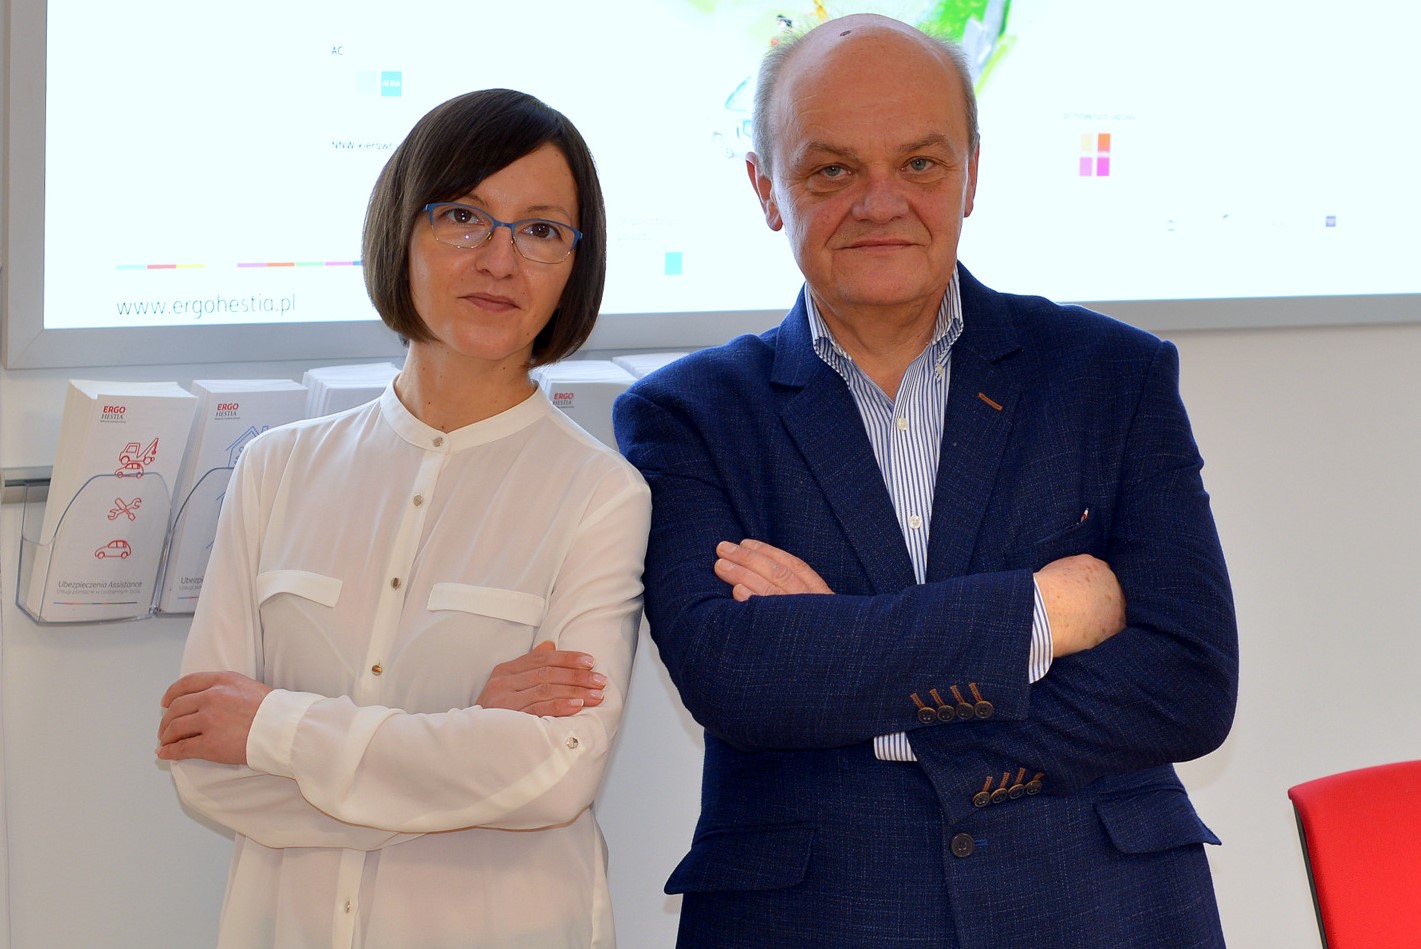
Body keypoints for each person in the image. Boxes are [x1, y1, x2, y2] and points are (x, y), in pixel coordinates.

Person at [613, 14, 1237, 948]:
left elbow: (1187, 680)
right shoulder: (688, 414)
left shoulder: (1110, 374)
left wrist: (842, 663)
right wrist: (1036, 616)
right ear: (765, 188)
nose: (880, 202)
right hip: (816, 919)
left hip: (1096, 907)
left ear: (971, 174)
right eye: (832, 170)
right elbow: (737, 678)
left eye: (919, 163)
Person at [156, 89, 649, 948]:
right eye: (463, 216)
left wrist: (273, 726)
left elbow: (552, 780)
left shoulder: (601, 493)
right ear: (400, 231)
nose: (500, 260)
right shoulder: (276, 469)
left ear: (576, 265)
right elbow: (204, 765)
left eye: (540, 229)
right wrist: (463, 749)